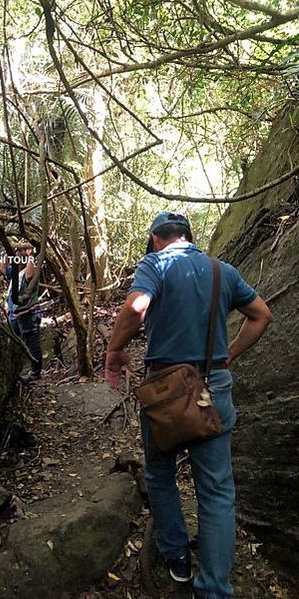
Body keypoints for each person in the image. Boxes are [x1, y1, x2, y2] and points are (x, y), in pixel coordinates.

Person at [105, 211, 272, 599]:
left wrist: (115, 350)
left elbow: (136, 307)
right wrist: (228, 355)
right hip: (213, 388)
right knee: (215, 490)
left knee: (161, 475)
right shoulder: (222, 271)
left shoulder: (155, 263)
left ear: (155, 238)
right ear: (189, 237)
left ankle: (177, 560)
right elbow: (261, 315)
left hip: (165, 391)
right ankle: (213, 588)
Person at [2, 243, 43, 382]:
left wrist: (31, 255)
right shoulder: (15, 273)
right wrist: (8, 252)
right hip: (15, 315)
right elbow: (1, 269)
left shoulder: (31, 270)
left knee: (32, 344)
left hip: (28, 313)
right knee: (16, 342)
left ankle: (36, 372)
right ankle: (18, 370)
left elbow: (30, 276)